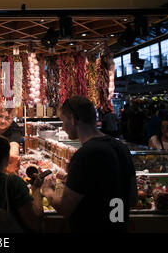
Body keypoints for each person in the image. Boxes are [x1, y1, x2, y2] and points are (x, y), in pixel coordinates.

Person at [42, 96, 137, 233]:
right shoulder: (121, 148)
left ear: (73, 119)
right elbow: (133, 199)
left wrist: (48, 191)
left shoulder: (84, 155)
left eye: (63, 121)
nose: (62, 127)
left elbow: (65, 208)